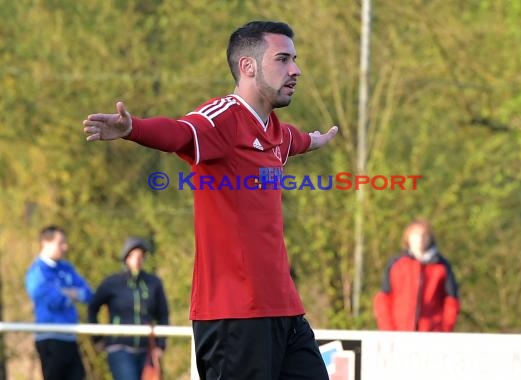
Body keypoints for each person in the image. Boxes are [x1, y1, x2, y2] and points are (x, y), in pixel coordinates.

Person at [83, 20, 337, 380]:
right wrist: (133, 129)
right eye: (283, 59)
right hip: (234, 316)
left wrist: (315, 140)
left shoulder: (276, 132)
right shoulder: (222, 118)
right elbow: (180, 132)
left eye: (295, 59)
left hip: (285, 311)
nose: (295, 69)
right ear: (248, 66)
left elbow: (294, 141)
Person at [88, 236, 169, 380]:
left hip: (146, 350)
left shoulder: (153, 283)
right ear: (126, 258)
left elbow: (163, 314)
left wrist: (160, 345)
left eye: (140, 256)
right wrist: (97, 339)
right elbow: (93, 307)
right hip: (120, 347)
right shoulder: (112, 283)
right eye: (133, 256)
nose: (137, 260)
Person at [25, 226, 93, 380]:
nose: (65, 247)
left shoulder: (67, 268)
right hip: (50, 337)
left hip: (70, 336)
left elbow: (88, 293)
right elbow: (50, 300)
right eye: (60, 243)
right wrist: (70, 294)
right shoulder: (37, 272)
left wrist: (67, 293)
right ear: (45, 243)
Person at [373, 219, 460, 331]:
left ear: (430, 238)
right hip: (399, 333)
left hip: (431, 335)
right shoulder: (396, 264)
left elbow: (451, 301)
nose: (420, 239)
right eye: (415, 235)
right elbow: (383, 299)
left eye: (424, 235)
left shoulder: (441, 266)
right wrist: (388, 330)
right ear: (408, 238)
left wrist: (444, 330)